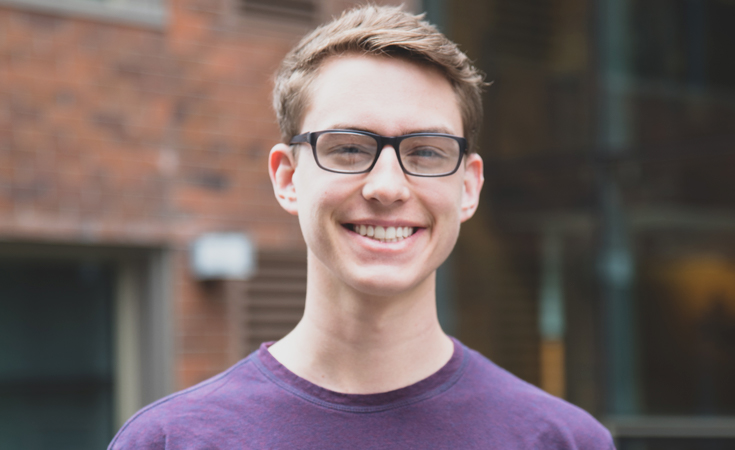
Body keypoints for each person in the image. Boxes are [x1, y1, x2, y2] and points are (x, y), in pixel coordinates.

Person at [109, 5, 615, 449]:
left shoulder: (562, 441)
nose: (388, 187)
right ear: (288, 178)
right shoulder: (171, 441)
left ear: (467, 186)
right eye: (349, 148)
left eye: (426, 152)